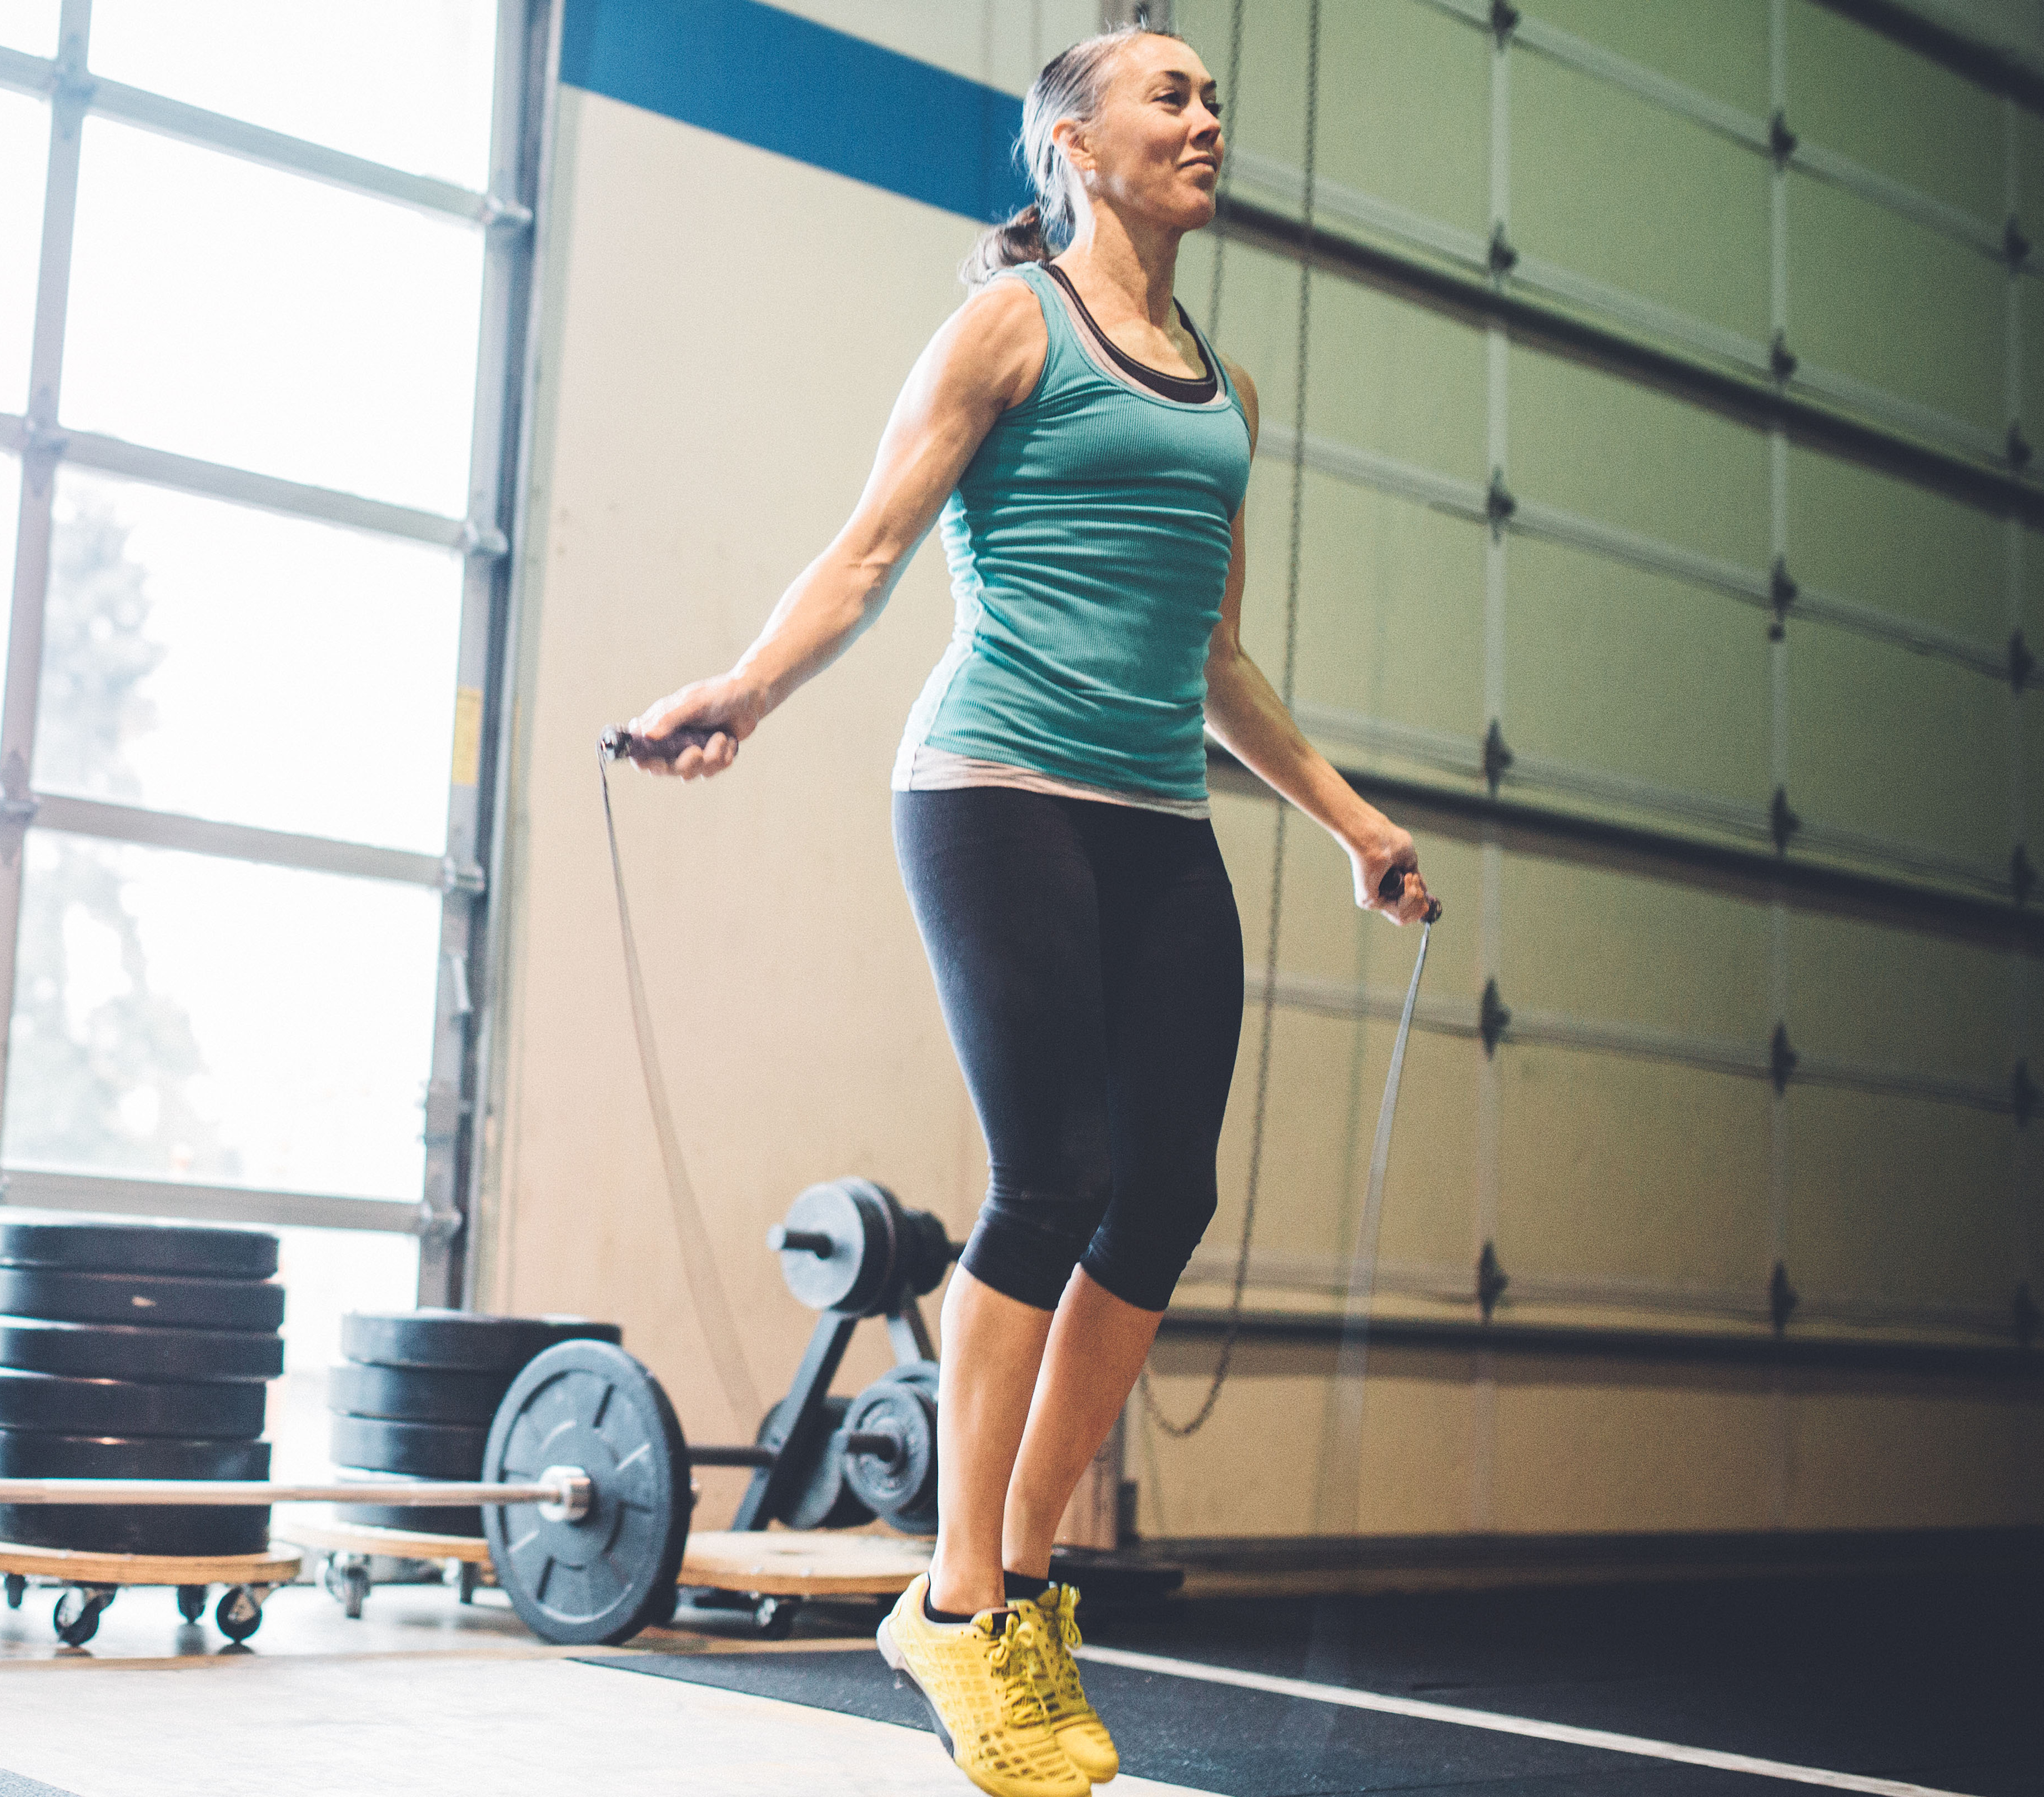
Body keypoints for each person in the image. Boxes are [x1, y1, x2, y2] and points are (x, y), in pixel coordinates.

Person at [620, 25, 1435, 1797]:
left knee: (1169, 1193)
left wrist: (1356, 823)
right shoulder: (1010, 326)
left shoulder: (1220, 391)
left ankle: (1025, 1581)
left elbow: (1219, 663)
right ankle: (961, 1589)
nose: (1207, 118)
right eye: (1171, 95)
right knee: (1054, 1171)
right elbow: (866, 550)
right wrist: (746, 693)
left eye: (1217, 95)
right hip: (992, 789)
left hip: (1154, 816)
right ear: (1071, 140)